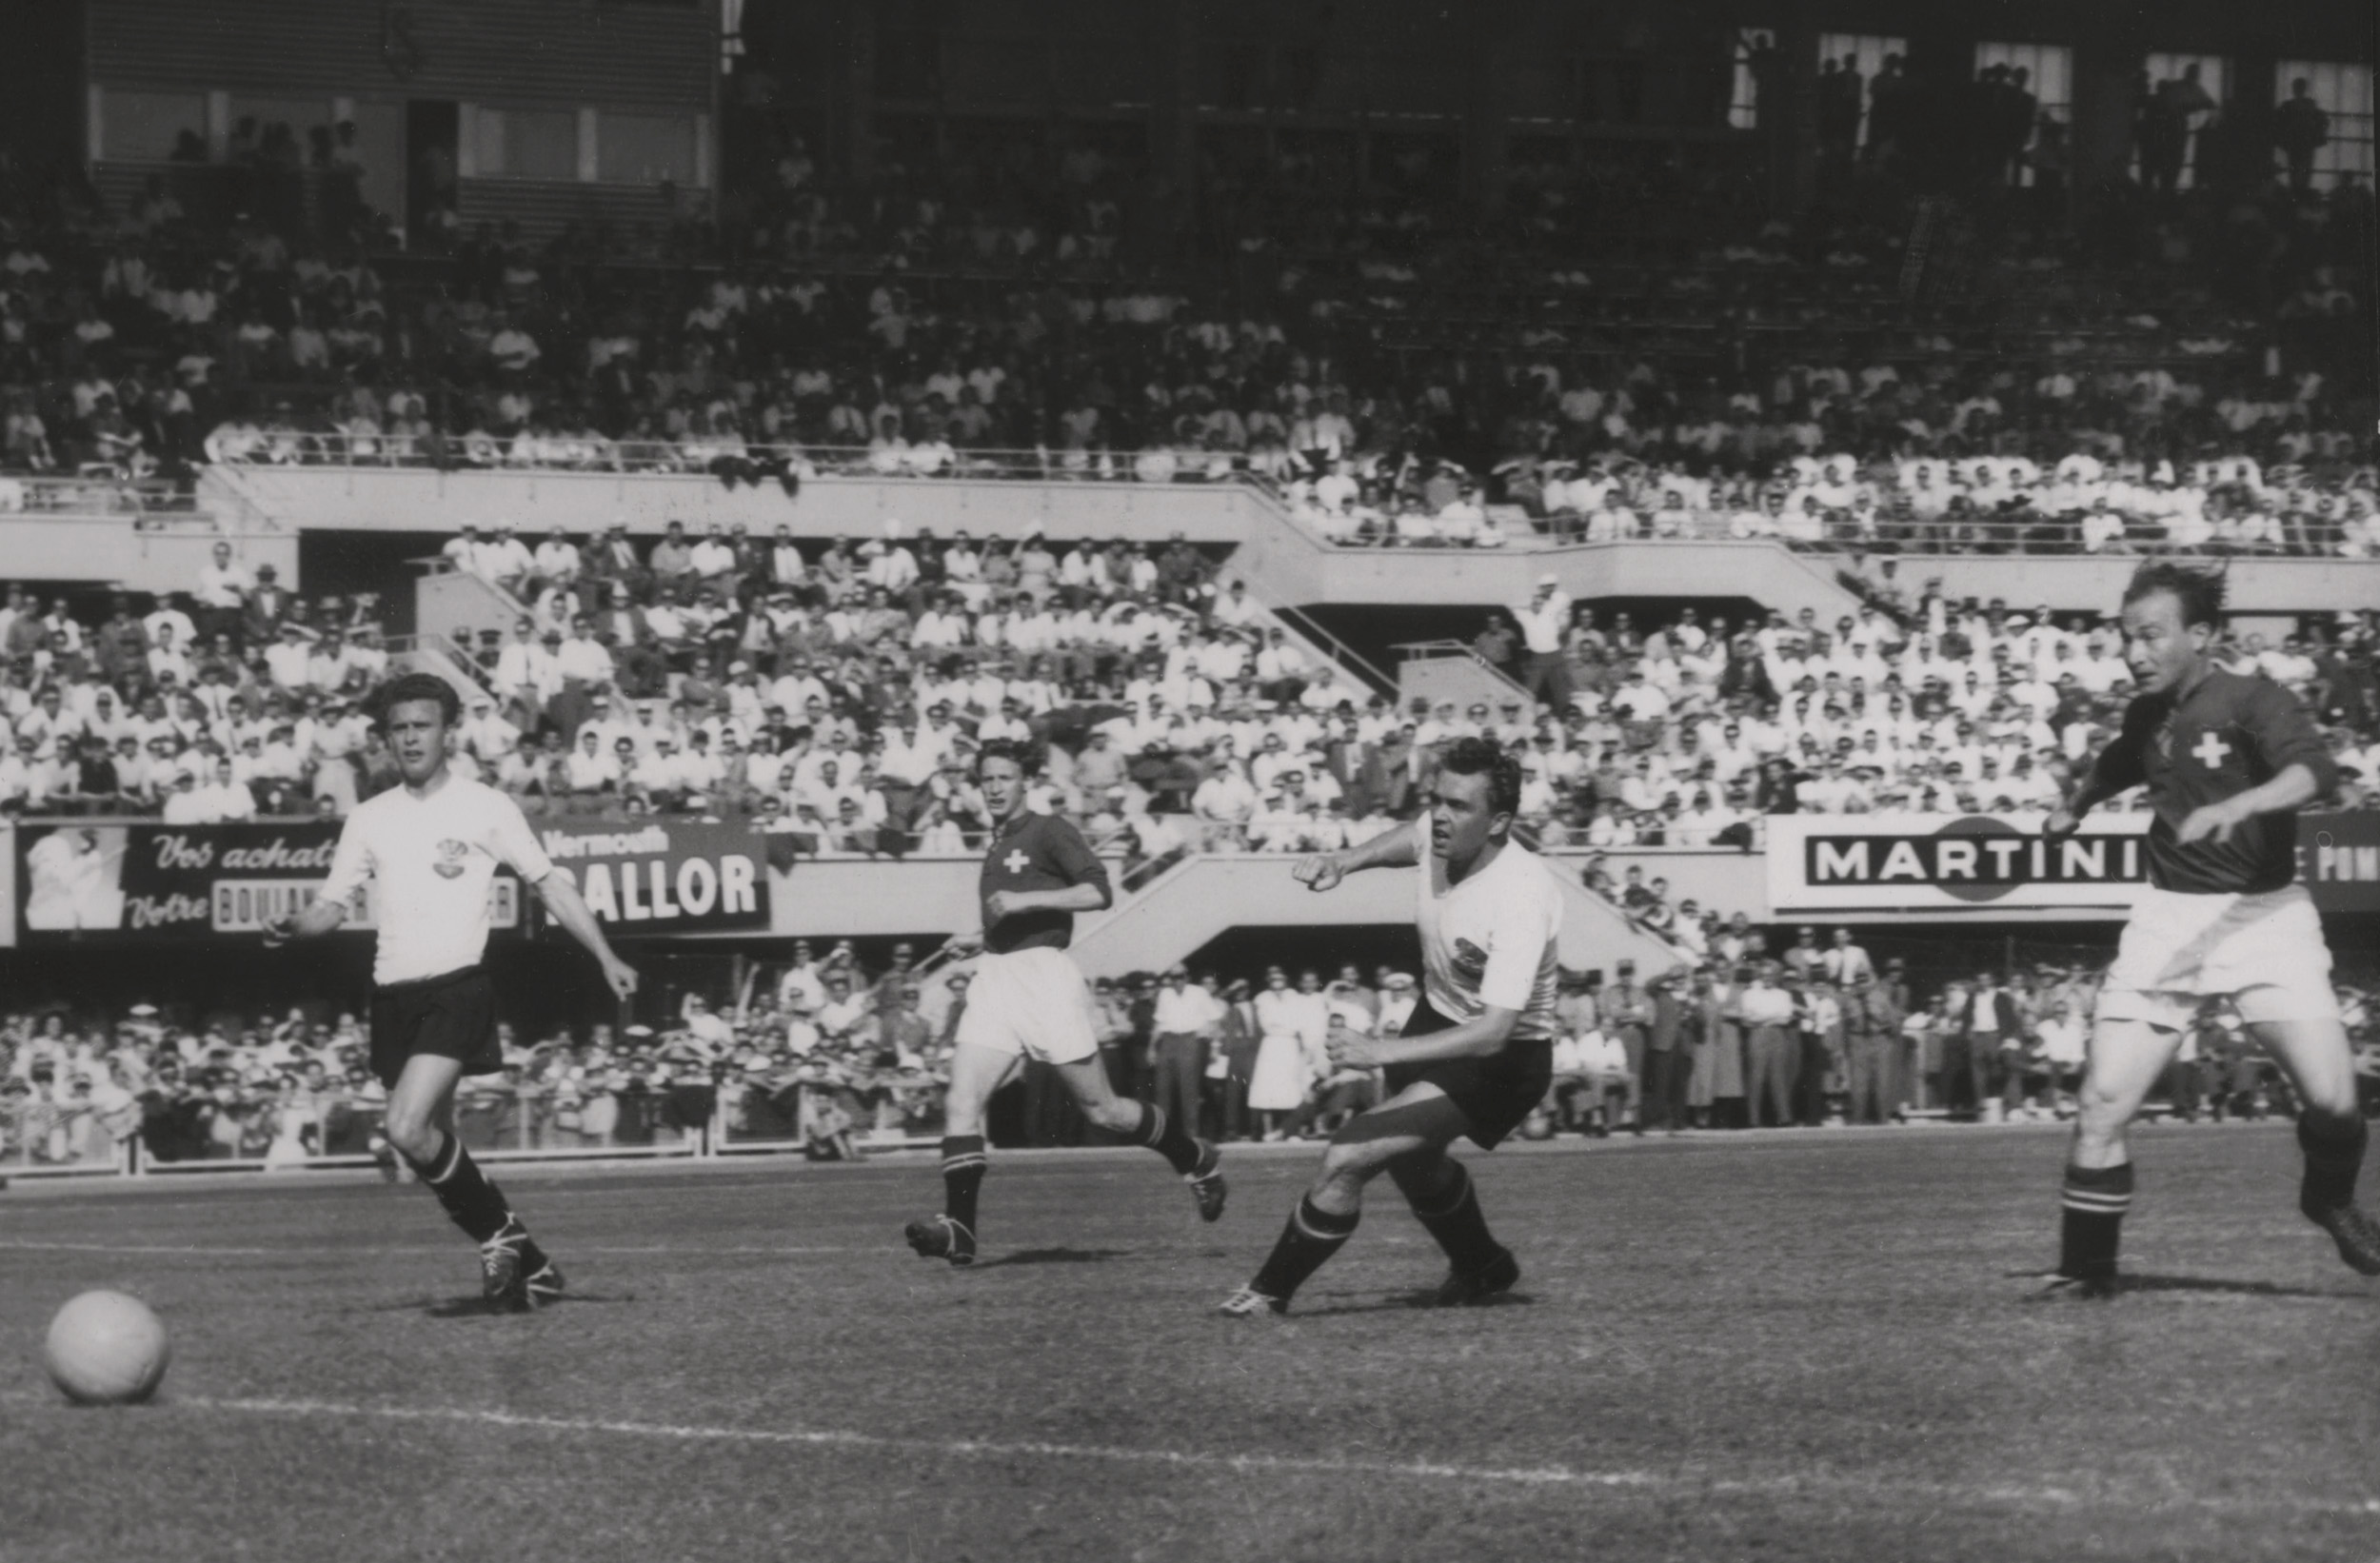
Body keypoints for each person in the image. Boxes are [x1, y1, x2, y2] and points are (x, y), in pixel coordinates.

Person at [2036, 563, 2380, 1298]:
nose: (2134, 653)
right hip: (2170, 921)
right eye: (2127, 637)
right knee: (2102, 1104)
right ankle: (2085, 1272)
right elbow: (2121, 763)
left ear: (2201, 635)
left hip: (2265, 916)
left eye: (2150, 635)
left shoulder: (2257, 699)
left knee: (2336, 1101)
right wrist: (2078, 804)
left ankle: (2329, 1199)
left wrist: (2243, 805)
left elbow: (2314, 773)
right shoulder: (2146, 714)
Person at [264, 672, 639, 1312]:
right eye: (399, 728)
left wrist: (604, 955)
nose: (410, 738)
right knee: (429, 1144)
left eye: (422, 725)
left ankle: (499, 1236)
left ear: (448, 731)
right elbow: (332, 904)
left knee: (405, 1127)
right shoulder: (369, 818)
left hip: (457, 988)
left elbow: (550, 884)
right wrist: (297, 925)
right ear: (386, 737)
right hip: (392, 997)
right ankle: (535, 1264)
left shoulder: (484, 806)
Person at [1220, 737, 1562, 1316]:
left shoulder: (1522, 896)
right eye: (1437, 801)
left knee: (1352, 1152)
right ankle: (1485, 1267)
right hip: (1440, 1018)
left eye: (1460, 806)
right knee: (1413, 1161)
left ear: (1501, 821)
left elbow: (1495, 1032)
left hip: (1501, 1056)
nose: (1442, 817)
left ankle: (1266, 1295)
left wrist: (1378, 1050)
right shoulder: (1442, 831)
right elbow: (1413, 836)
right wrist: (1343, 861)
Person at [904, 740, 1224, 1267]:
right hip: (997, 978)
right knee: (960, 1104)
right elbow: (1013, 918)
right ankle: (960, 1229)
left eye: (1004, 777)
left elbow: (1099, 891)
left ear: (1024, 781)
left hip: (1045, 979)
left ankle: (1194, 1158)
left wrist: (1026, 901)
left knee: (1104, 1110)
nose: (994, 787)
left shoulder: (1049, 830)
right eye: (987, 779)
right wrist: (979, 937)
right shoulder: (996, 840)